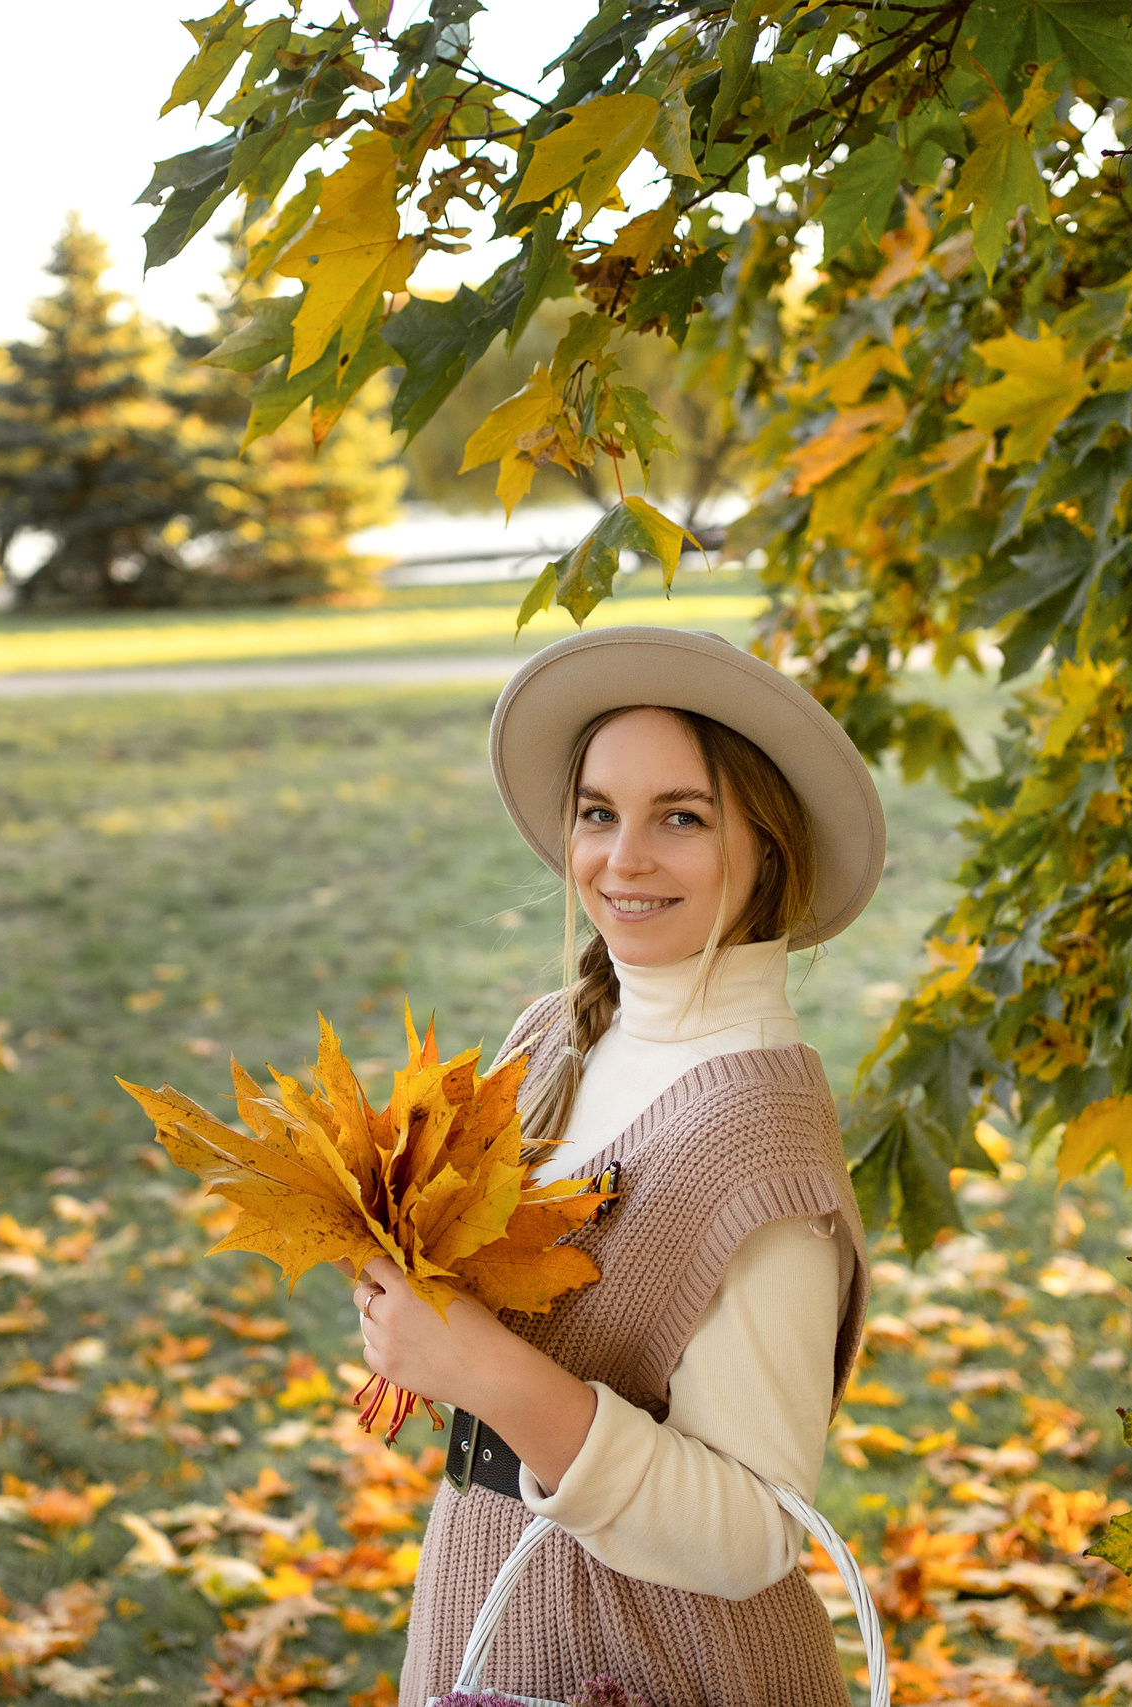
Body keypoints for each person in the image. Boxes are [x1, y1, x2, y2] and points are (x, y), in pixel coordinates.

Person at [354, 627, 886, 1707]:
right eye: (599, 812)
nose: (622, 858)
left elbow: (751, 1536)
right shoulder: (551, 1038)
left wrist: (486, 1373)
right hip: (486, 1601)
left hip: (652, 1664)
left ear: (769, 849)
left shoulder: (755, 1143)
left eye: (679, 818)